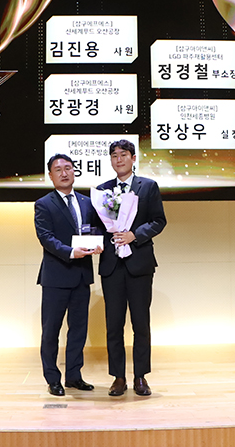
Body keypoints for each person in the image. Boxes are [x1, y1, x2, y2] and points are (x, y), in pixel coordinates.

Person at [97, 140, 166, 396]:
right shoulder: (102, 190)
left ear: (133, 158)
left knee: (141, 323)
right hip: (112, 266)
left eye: (123, 155)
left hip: (139, 264)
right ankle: (118, 377)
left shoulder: (148, 186)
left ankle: (140, 377)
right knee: (114, 324)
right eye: (114, 155)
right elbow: (97, 226)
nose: (119, 159)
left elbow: (159, 221)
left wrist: (134, 235)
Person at [35, 153, 102, 396]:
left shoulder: (87, 202)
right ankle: (53, 378)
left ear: (74, 171)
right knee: (51, 331)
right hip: (56, 277)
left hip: (82, 276)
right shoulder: (44, 204)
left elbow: (94, 229)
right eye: (58, 169)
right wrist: (71, 252)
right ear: (50, 175)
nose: (64, 173)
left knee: (78, 330)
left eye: (68, 168)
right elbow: (46, 237)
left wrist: (98, 243)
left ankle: (74, 376)